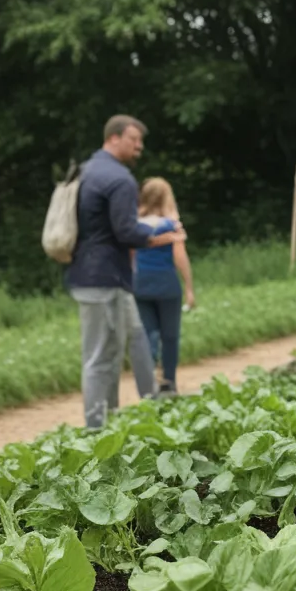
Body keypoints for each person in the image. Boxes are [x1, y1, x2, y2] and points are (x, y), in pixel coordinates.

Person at [67, 115, 184, 427]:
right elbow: (126, 232)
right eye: (134, 140)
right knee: (100, 356)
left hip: (103, 276)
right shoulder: (119, 179)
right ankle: (97, 429)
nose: (139, 147)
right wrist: (162, 235)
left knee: (135, 338)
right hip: (102, 279)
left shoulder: (87, 169)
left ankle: (149, 407)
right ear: (114, 138)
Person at [134, 177, 195, 395]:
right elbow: (180, 258)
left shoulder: (135, 226)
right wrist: (189, 286)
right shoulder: (171, 227)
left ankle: (148, 380)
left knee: (148, 332)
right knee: (169, 335)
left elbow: (131, 255)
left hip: (140, 283)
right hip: (166, 283)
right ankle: (168, 382)